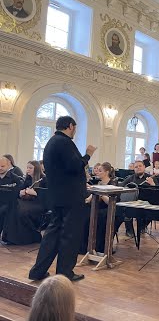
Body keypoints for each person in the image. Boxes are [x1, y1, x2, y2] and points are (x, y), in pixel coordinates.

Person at [29, 116, 97, 282]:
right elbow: (75, 166)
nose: (75, 131)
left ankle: (38, 271)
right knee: (70, 235)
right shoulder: (64, 142)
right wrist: (88, 155)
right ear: (70, 126)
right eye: (75, 127)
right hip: (71, 197)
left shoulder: (52, 142)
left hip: (58, 196)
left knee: (53, 233)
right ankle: (65, 272)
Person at [2, 161, 47, 245]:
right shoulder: (28, 178)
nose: (27, 170)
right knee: (12, 206)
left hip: (39, 204)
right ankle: (11, 238)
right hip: (28, 202)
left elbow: (47, 196)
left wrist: (35, 192)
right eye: (27, 168)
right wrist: (21, 192)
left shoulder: (44, 179)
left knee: (21, 210)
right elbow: (21, 190)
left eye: (30, 168)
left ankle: (29, 237)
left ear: (36, 169)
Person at [0, 156, 25, 237]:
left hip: (9, 204)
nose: (0, 168)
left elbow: (19, 192)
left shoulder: (15, 178)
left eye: (2, 166)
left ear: (8, 166)